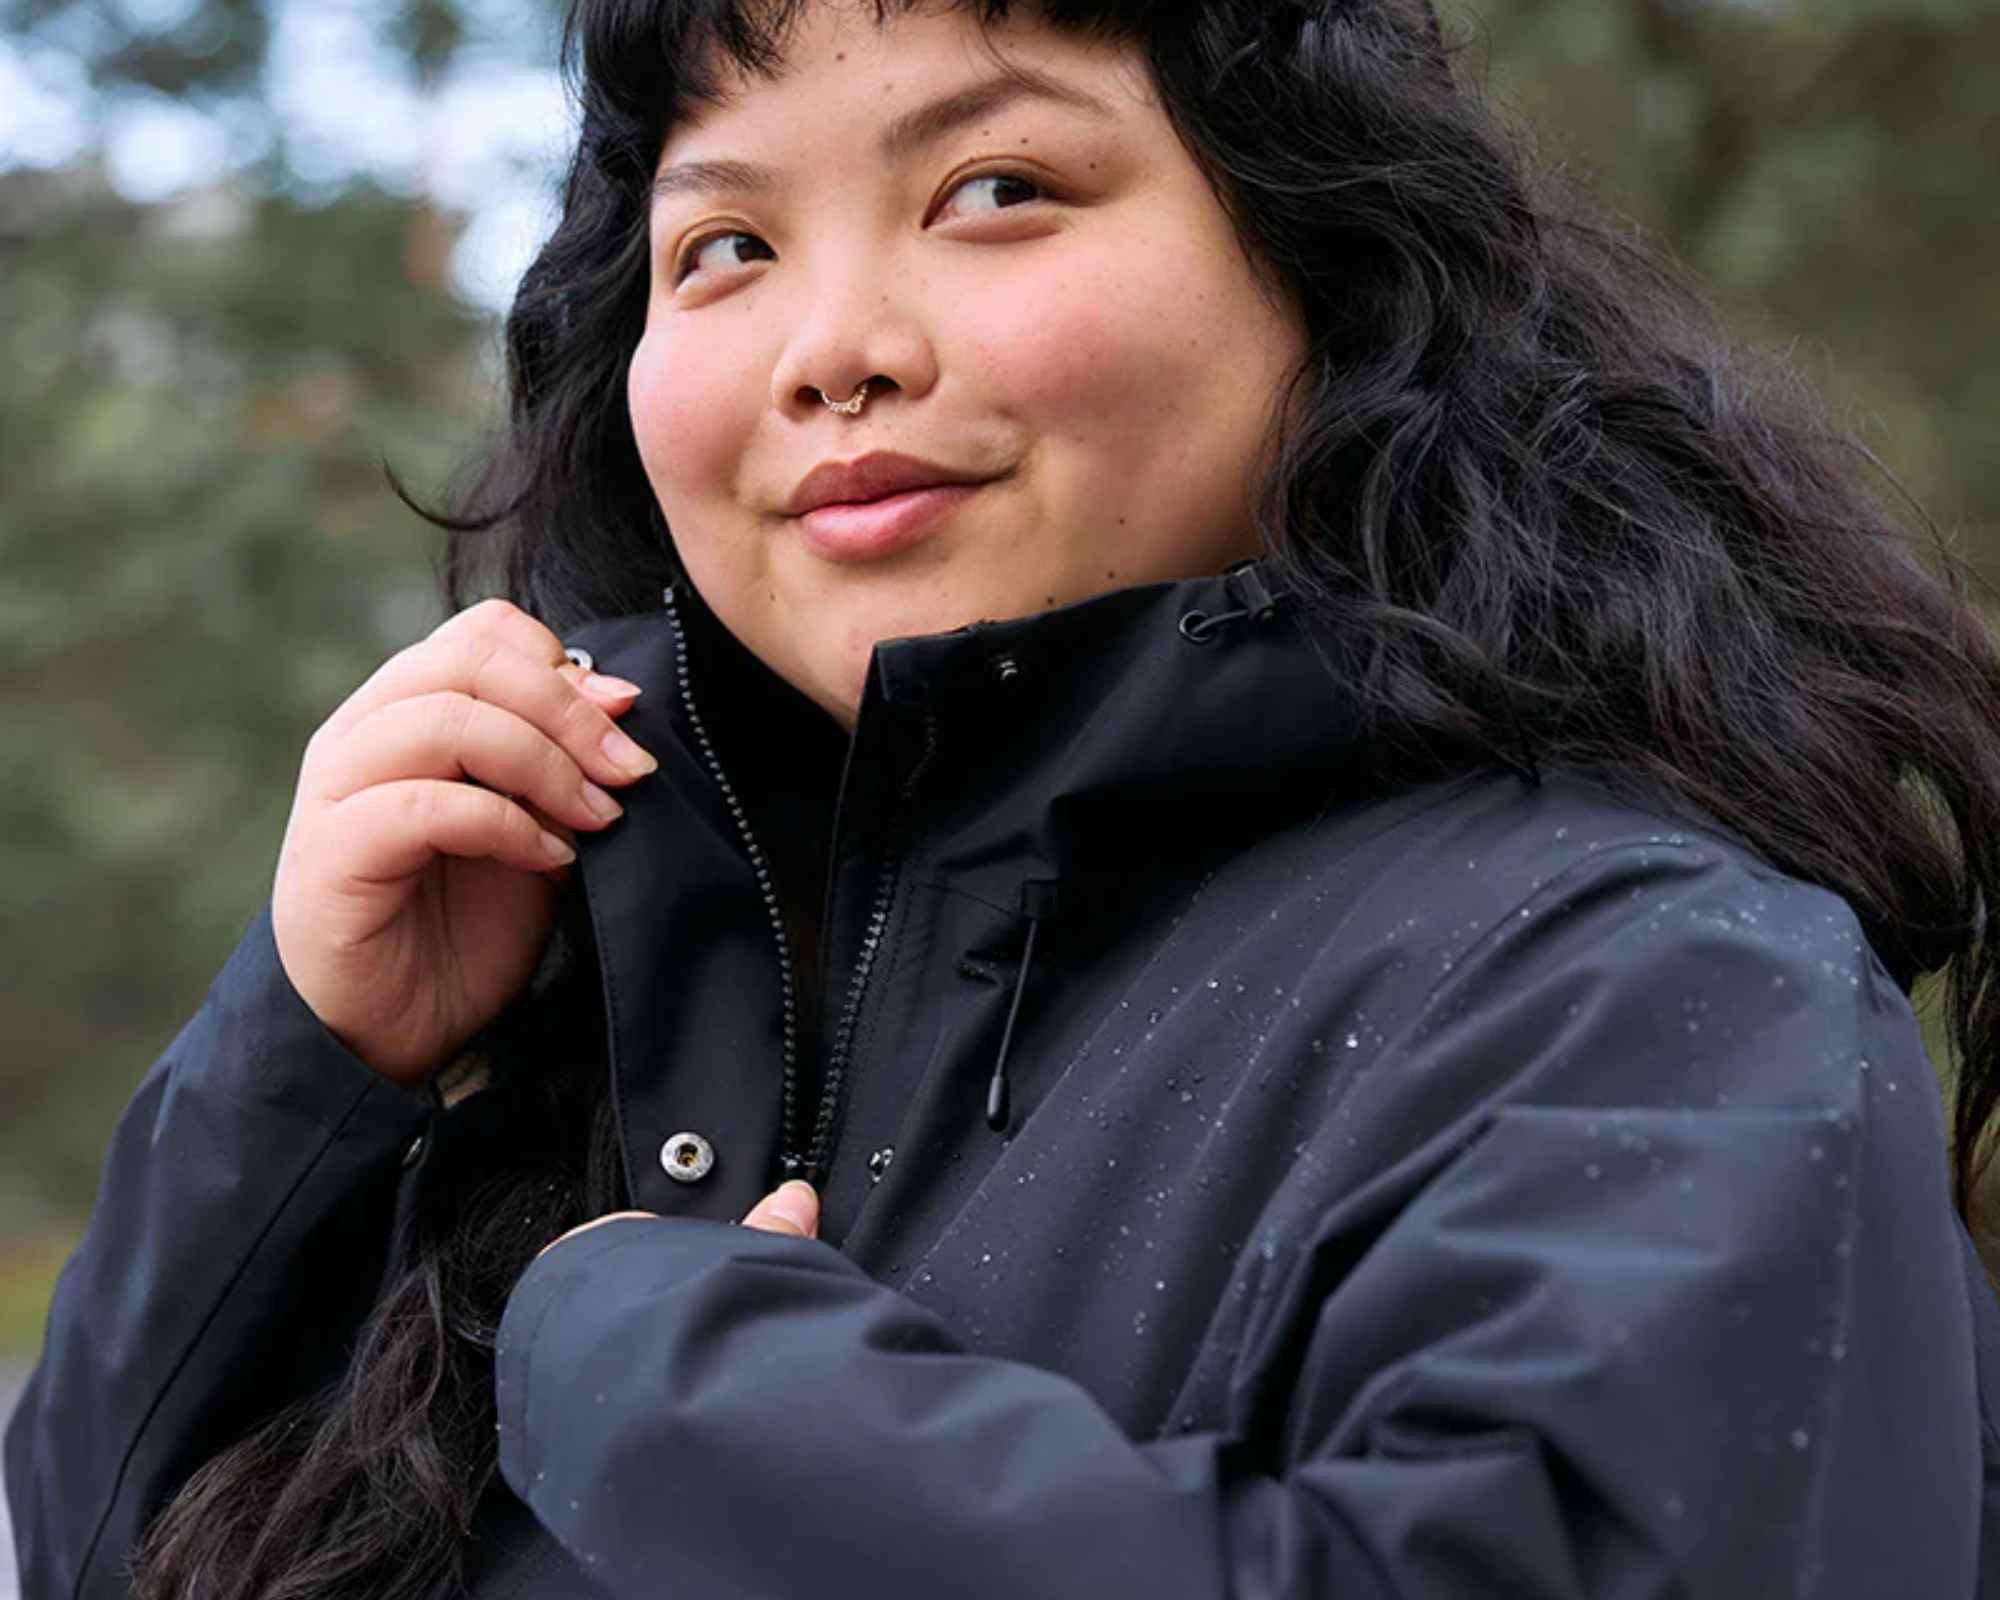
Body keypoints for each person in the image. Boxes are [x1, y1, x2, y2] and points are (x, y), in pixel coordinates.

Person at [10, 0, 2000, 1594]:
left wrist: (673, 1379)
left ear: (1317, 261)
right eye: (723, 245)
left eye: (994, 186)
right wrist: (306, 1067)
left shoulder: (1633, 976)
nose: (836, 348)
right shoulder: (605, 974)